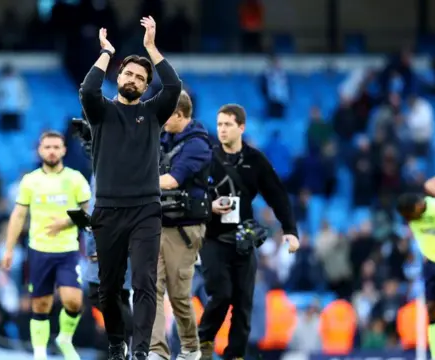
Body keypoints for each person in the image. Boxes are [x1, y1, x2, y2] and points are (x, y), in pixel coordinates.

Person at [78, 16, 182, 360]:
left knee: (144, 284)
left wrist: (151, 48)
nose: (134, 80)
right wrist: (106, 52)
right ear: (118, 77)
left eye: (141, 77)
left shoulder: (153, 113)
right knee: (107, 290)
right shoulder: (102, 113)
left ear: (145, 85)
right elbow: (88, 90)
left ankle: (140, 351)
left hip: (145, 211)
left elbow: (173, 88)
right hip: (107, 211)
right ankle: (115, 342)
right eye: (129, 74)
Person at [199, 104, 299, 360]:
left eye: (228, 124)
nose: (221, 129)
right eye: (219, 124)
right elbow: (190, 194)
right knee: (221, 294)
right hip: (212, 238)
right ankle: (204, 341)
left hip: (242, 238)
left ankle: (236, 355)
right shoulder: (207, 159)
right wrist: (208, 205)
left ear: (241, 127)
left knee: (244, 302)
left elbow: (277, 194)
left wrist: (289, 229)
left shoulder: (256, 160)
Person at [2, 131, 90, 360]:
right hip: (39, 250)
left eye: (56, 147)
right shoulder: (31, 180)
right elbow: (18, 216)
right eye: (47, 147)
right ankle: (39, 353)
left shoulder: (75, 179)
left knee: (73, 300)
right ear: (40, 151)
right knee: (41, 304)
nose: (51, 151)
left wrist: (67, 221)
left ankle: (64, 338)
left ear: (64, 150)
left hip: (68, 251)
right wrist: (9, 249)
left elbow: (90, 213)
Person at [150, 91, 211, 360]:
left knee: (178, 296)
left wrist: (137, 180)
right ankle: (156, 352)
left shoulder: (198, 145)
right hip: (160, 222)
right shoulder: (163, 138)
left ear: (180, 114)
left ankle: (190, 347)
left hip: (186, 229)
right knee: (150, 288)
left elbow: (173, 180)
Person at [397, 174, 435, 359]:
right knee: (431, 309)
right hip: (430, 264)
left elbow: (430, 185)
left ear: (417, 207)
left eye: (409, 214)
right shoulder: (412, 217)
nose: (408, 220)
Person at [83, 175, 133, 342]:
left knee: (98, 294)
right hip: (130, 238)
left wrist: (93, 245)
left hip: (108, 241)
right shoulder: (135, 163)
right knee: (121, 297)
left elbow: (95, 210)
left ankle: (142, 335)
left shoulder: (103, 168)